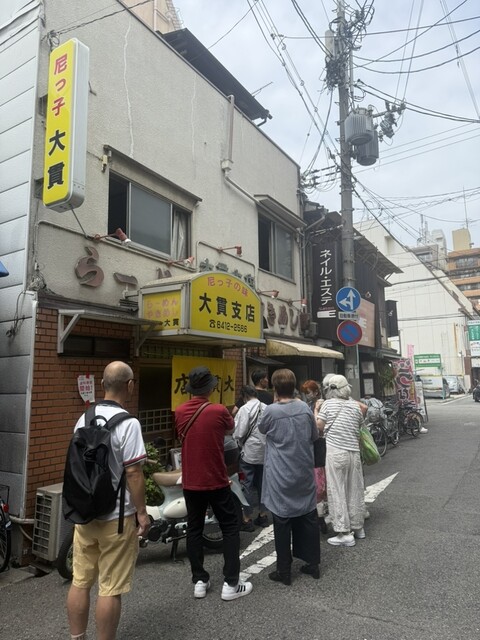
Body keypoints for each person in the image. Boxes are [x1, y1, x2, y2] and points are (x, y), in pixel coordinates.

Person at [66, 361, 150, 640]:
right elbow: (134, 472)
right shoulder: (129, 423)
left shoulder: (84, 418)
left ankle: (77, 637)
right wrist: (142, 513)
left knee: (80, 581)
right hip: (117, 518)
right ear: (130, 385)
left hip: (85, 514)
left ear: (102, 385)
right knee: (110, 588)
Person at [175, 366, 252, 601]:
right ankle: (231, 583)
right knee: (229, 526)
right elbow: (230, 428)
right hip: (216, 478)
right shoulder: (218, 410)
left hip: (191, 480)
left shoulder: (180, 411)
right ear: (210, 388)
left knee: (194, 528)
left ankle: (199, 580)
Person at [259, 369, 321, 585]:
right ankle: (313, 564)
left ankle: (284, 570)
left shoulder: (271, 411)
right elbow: (314, 435)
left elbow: (262, 429)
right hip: (303, 469)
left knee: (282, 519)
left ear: (275, 388)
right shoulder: (304, 408)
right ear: (294, 386)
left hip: (280, 473)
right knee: (308, 516)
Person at [315, 374, 366, 548]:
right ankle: (358, 528)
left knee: (337, 490)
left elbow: (319, 427)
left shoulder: (327, 405)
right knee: (355, 489)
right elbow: (360, 425)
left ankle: (343, 533)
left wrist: (316, 410)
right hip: (354, 453)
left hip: (336, 452)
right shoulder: (354, 405)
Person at [233, 385, 268, 531]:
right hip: (264, 452)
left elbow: (239, 433)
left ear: (244, 396)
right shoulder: (266, 407)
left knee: (247, 484)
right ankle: (263, 515)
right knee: (263, 484)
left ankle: (247, 518)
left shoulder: (244, 409)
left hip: (249, 452)